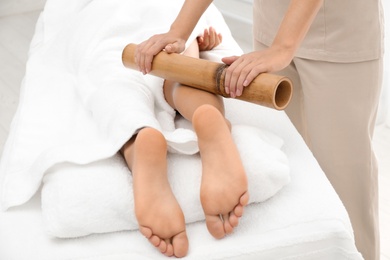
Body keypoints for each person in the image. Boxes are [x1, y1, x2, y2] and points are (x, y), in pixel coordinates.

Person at [135, 1, 384, 259]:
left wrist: (282, 48)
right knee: (290, 173)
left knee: (345, 183)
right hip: (273, 26)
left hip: (336, 35)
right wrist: (179, 31)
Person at [120, 28, 249, 258]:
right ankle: (208, 114)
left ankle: (137, 144)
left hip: (114, 43)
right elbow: (189, 30)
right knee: (183, 74)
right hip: (170, 36)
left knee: (118, 92)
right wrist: (198, 41)